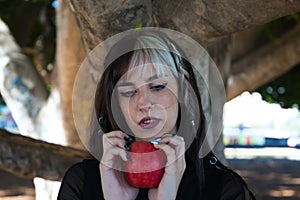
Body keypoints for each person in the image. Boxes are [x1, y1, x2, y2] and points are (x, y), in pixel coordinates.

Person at [58, 28, 255, 200]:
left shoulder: (223, 190)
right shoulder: (81, 183)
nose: (143, 103)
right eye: (128, 92)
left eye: (158, 87)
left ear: (184, 95)